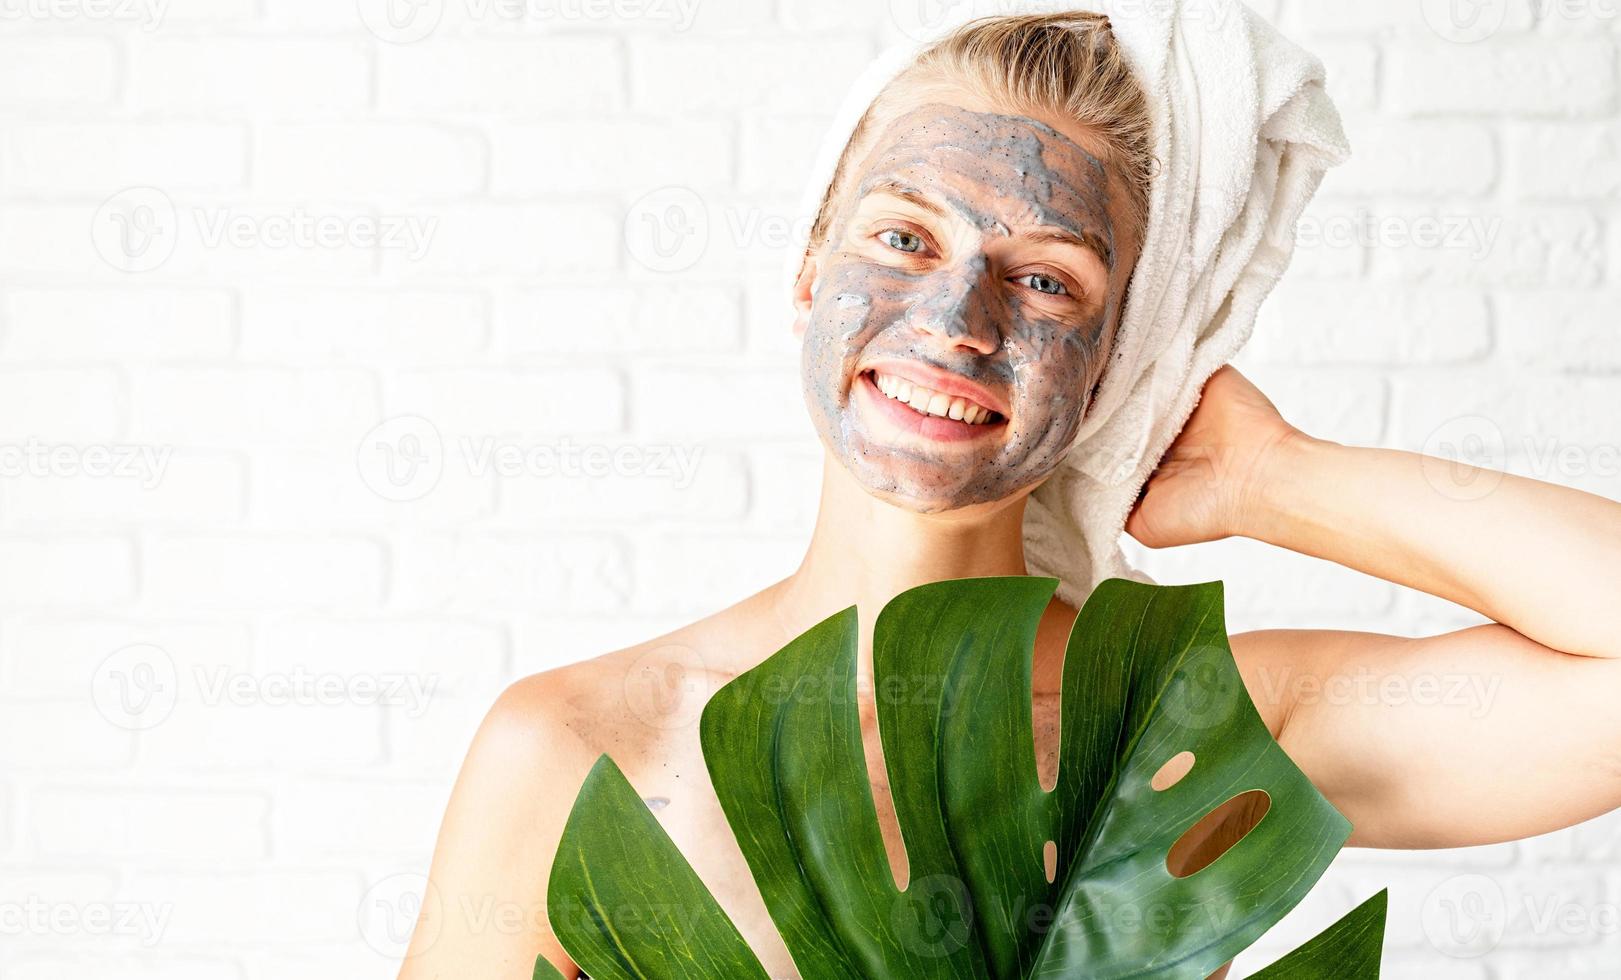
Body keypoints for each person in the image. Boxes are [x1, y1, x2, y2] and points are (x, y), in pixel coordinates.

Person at [397, 13, 1621, 980]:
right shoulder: (579, 744)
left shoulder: (1186, 729)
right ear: (808, 265)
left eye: (1045, 280)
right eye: (903, 239)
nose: (953, 322)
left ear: (1120, 359)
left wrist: (1273, 476)